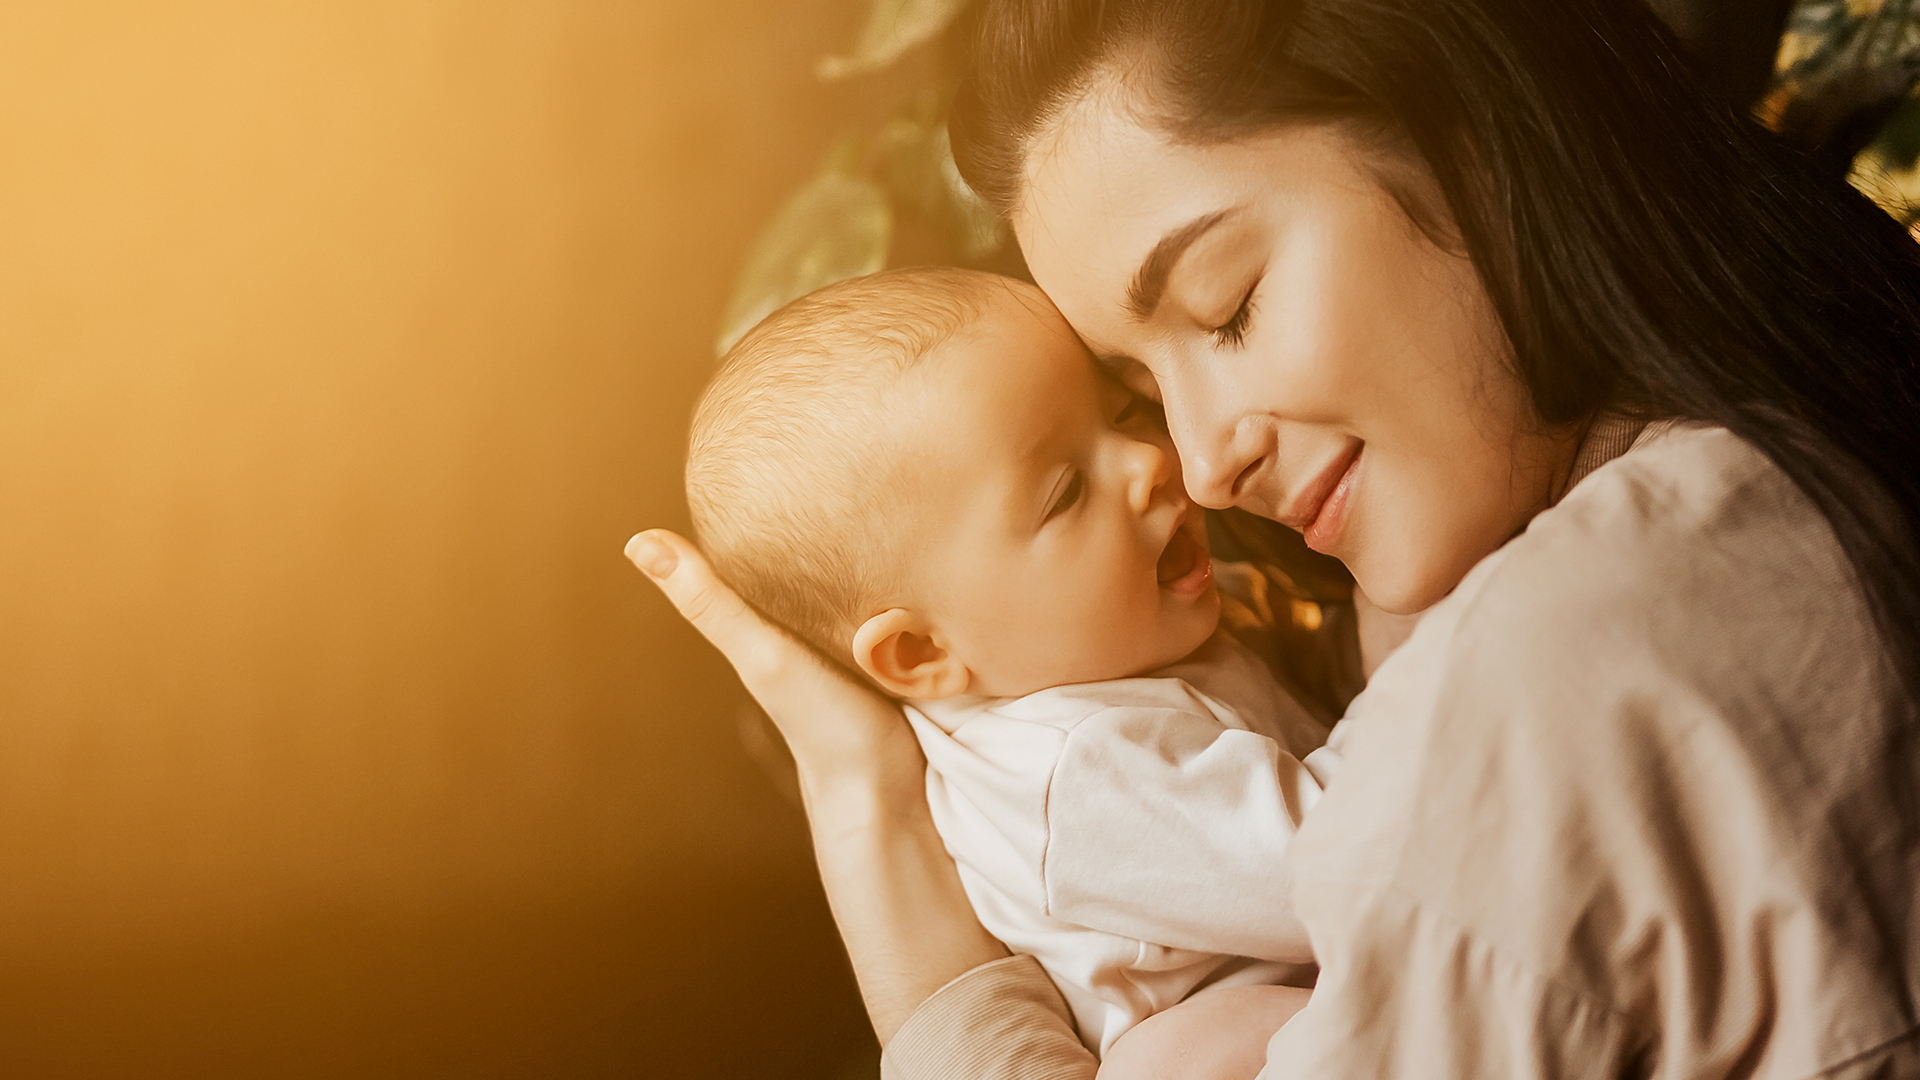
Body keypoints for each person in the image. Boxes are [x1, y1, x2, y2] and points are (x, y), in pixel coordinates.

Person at [630, 0, 1920, 1075]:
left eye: (1228, 307)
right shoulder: (1774, 469)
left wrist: (887, 858)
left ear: (1477, 137)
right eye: (1143, 377)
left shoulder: (1548, 669)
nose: (1197, 462)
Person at [684, 264, 1334, 1071]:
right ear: (923, 653)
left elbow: (1311, 667)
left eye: (1125, 412)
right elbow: (1345, 869)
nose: (1147, 462)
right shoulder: (1072, 775)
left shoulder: (1121, 633)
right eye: (1065, 492)